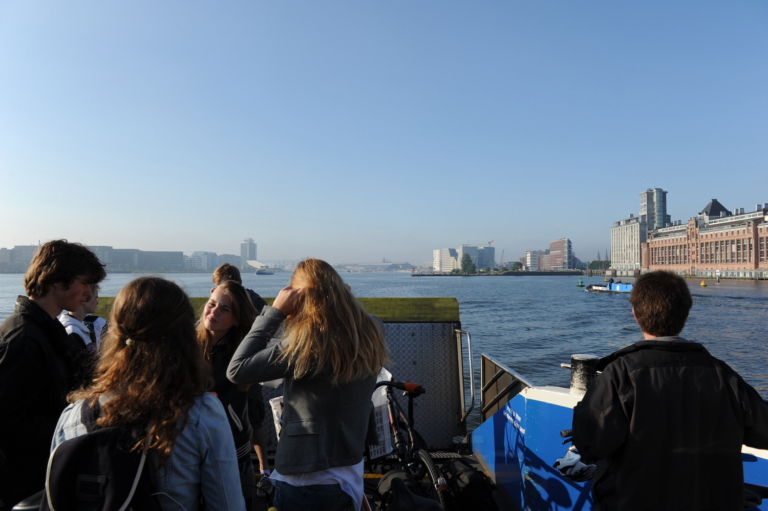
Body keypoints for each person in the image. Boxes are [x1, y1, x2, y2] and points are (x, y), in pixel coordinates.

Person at [572, 271, 768, 511]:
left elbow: (591, 444)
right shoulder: (724, 374)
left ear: (635, 315)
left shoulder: (620, 374)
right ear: (685, 314)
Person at [52, 277, 246, 511]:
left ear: (117, 331)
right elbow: (227, 504)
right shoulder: (200, 413)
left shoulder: (72, 415)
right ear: (184, 337)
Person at [227, 258, 389, 511]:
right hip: (350, 469)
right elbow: (348, 318)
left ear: (301, 298)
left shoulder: (306, 345)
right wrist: (342, 298)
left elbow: (237, 370)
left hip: (306, 475)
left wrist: (275, 313)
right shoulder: (372, 329)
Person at [0, 240, 106, 510]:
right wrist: (72, 430)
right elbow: (8, 422)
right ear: (58, 280)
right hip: (24, 485)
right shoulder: (23, 339)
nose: (89, 293)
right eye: (85, 283)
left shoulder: (46, 330)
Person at [210, 263, 272, 492]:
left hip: (246, 373)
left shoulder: (252, 300)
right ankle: (263, 471)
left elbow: (267, 326)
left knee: (253, 420)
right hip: (239, 371)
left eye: (220, 284)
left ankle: (264, 470)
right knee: (251, 422)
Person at [197, 281, 259, 505]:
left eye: (224, 309)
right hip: (192, 447)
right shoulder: (188, 345)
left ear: (237, 320)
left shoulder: (241, 353)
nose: (214, 311)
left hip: (233, 447)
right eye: (212, 304)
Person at [58, 284, 103, 387]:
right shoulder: (72, 332)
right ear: (84, 300)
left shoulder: (78, 327)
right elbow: (78, 372)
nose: (97, 302)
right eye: (95, 298)